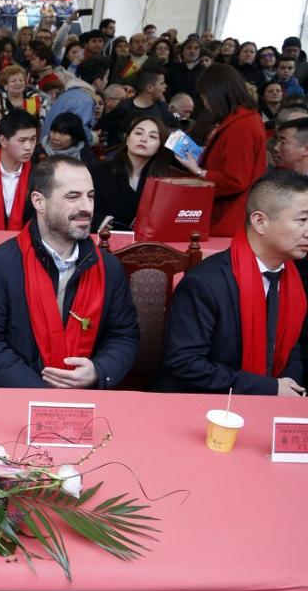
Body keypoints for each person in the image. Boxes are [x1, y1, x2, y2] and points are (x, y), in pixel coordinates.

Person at [0, 156, 139, 389]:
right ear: (39, 201)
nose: (86, 207)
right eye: (72, 197)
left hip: (88, 394)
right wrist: (42, 394)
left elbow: (124, 336)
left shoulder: (108, 268)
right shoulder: (0, 264)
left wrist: (99, 371)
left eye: (90, 196)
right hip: (14, 391)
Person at [154, 171, 308, 396]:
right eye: (302, 220)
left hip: (271, 400)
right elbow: (185, 363)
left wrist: (290, 383)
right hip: (204, 405)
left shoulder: (293, 278)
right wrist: (270, 388)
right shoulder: (205, 283)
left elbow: (290, 344)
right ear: (260, 222)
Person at [171, 64, 267, 237]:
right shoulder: (243, 119)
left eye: (206, 97)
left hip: (229, 218)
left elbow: (235, 180)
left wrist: (199, 171)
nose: (206, 104)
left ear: (218, 94)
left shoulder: (241, 125)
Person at [90, 114, 174, 231]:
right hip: (104, 241)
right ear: (128, 139)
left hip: (145, 244)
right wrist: (98, 221)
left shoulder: (164, 179)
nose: (143, 139)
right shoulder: (99, 171)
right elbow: (78, 208)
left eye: (153, 137)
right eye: (138, 133)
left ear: (159, 148)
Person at [42, 56, 110, 147]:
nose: (107, 82)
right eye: (106, 78)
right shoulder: (85, 100)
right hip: (57, 152)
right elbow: (78, 131)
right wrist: (93, 137)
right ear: (98, 81)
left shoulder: (68, 93)